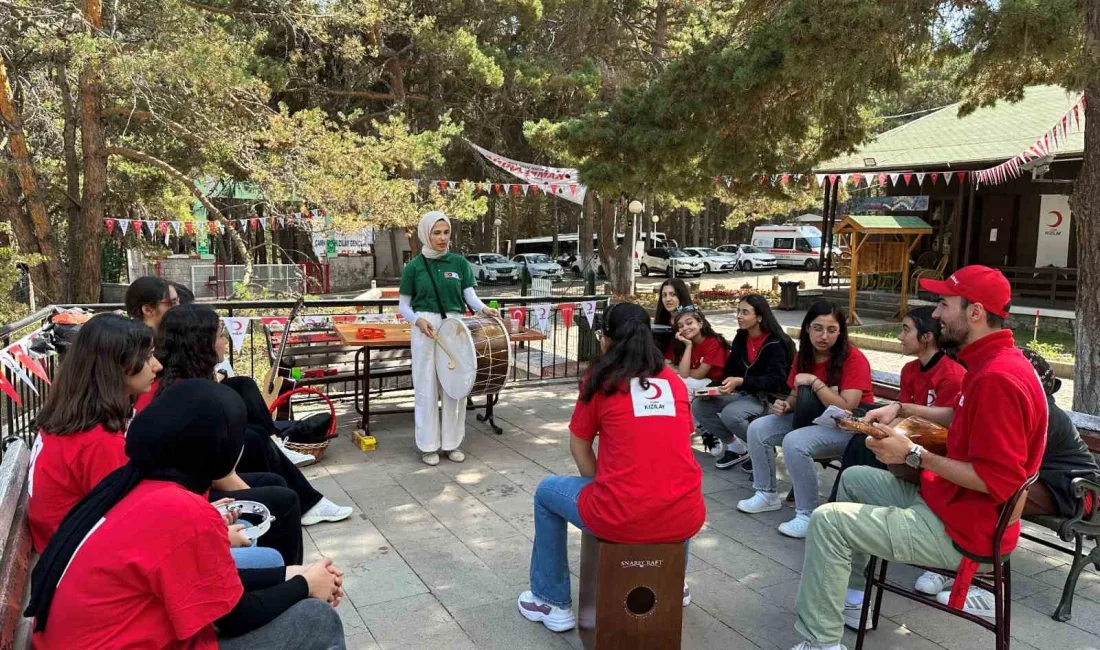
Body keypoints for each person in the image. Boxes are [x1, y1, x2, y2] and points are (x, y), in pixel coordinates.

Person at [788, 266, 1046, 650]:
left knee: (828, 521)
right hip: (953, 505)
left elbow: (999, 480)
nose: (937, 314)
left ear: (974, 312)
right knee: (856, 478)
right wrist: (902, 408)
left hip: (968, 530)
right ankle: (853, 601)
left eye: (944, 303)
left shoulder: (997, 377)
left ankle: (820, 643)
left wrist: (913, 454)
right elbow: (961, 416)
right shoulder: (990, 362)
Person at [26, 380, 347, 650]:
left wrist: (289, 575)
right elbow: (234, 617)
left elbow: (204, 584)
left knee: (278, 569)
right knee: (317, 618)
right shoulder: (184, 512)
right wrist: (303, 585)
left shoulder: (135, 484)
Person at [28, 313, 288, 569]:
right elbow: (131, 527)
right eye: (146, 357)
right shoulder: (99, 440)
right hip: (86, 560)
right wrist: (211, 527)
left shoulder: (80, 418)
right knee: (268, 554)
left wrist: (199, 509)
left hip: (82, 545)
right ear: (116, 366)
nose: (157, 365)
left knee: (262, 506)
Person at [517, 303, 705, 633]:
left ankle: (551, 601)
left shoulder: (600, 381)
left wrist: (602, 489)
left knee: (546, 492)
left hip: (619, 513)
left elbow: (579, 444)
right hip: (685, 515)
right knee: (676, 490)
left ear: (605, 340)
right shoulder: (673, 382)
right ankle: (674, 583)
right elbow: (678, 446)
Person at [147, 304, 352, 529]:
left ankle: (304, 499)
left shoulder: (187, 382)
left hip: (198, 480)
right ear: (200, 344)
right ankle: (298, 507)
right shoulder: (185, 394)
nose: (225, 340)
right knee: (260, 453)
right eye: (219, 335)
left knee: (255, 435)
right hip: (186, 491)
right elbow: (213, 471)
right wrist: (256, 500)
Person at [737, 301, 875, 539]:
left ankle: (808, 514)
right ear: (807, 328)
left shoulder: (853, 358)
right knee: (758, 428)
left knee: (795, 442)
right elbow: (794, 394)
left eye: (831, 330)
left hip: (849, 426)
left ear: (840, 332)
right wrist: (786, 404)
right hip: (811, 417)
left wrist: (815, 382)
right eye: (817, 328)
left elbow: (847, 405)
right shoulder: (804, 355)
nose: (824, 336)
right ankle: (766, 494)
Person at [829, 306, 965, 495]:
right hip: (907, 436)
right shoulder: (909, 370)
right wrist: (866, 425)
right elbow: (899, 413)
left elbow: (946, 431)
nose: (900, 336)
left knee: (868, 445)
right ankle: (841, 504)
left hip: (933, 451)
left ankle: (846, 504)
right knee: (863, 440)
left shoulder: (952, 375)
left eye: (906, 330)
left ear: (927, 337)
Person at [398, 211, 498, 466]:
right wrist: (417, 321)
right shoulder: (414, 267)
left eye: (446, 233)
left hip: (455, 327)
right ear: (425, 234)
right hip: (425, 328)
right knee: (426, 385)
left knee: (455, 386)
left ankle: (452, 443)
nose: (442, 238)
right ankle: (428, 445)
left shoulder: (459, 263)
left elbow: (470, 296)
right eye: (437, 233)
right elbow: (404, 306)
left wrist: (484, 308)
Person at [692, 294, 794, 470]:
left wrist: (741, 381)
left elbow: (775, 380)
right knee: (699, 405)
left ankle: (763, 449)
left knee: (731, 414)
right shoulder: (741, 337)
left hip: (768, 397)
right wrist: (714, 389)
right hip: (744, 392)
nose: (739, 316)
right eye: (738, 311)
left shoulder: (777, 343)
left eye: (745, 312)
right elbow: (730, 370)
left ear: (760, 317)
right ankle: (736, 448)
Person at [666, 306, 729, 394]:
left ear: (700, 323)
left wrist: (677, 370)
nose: (685, 328)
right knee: (672, 380)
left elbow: (699, 374)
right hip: (696, 381)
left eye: (689, 323)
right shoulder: (684, 342)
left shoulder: (714, 342)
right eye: (680, 326)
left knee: (681, 382)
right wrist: (688, 345)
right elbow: (683, 373)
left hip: (717, 383)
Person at [653, 278, 693, 355]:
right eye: (664, 295)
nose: (667, 299)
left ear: (681, 296)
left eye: (673, 294)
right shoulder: (662, 320)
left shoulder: (692, 321)